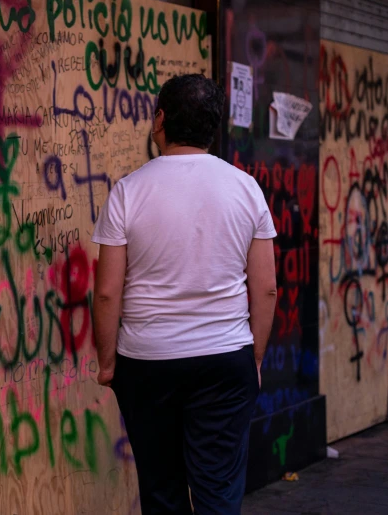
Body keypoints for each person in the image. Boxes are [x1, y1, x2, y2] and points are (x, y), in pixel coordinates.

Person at [92, 74, 277, 515]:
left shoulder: (128, 191)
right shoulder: (246, 188)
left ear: (160, 120)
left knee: (162, 490)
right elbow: (266, 287)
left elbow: (105, 293)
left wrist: (107, 362)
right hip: (225, 359)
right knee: (218, 492)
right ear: (212, 127)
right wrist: (254, 357)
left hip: (147, 363)